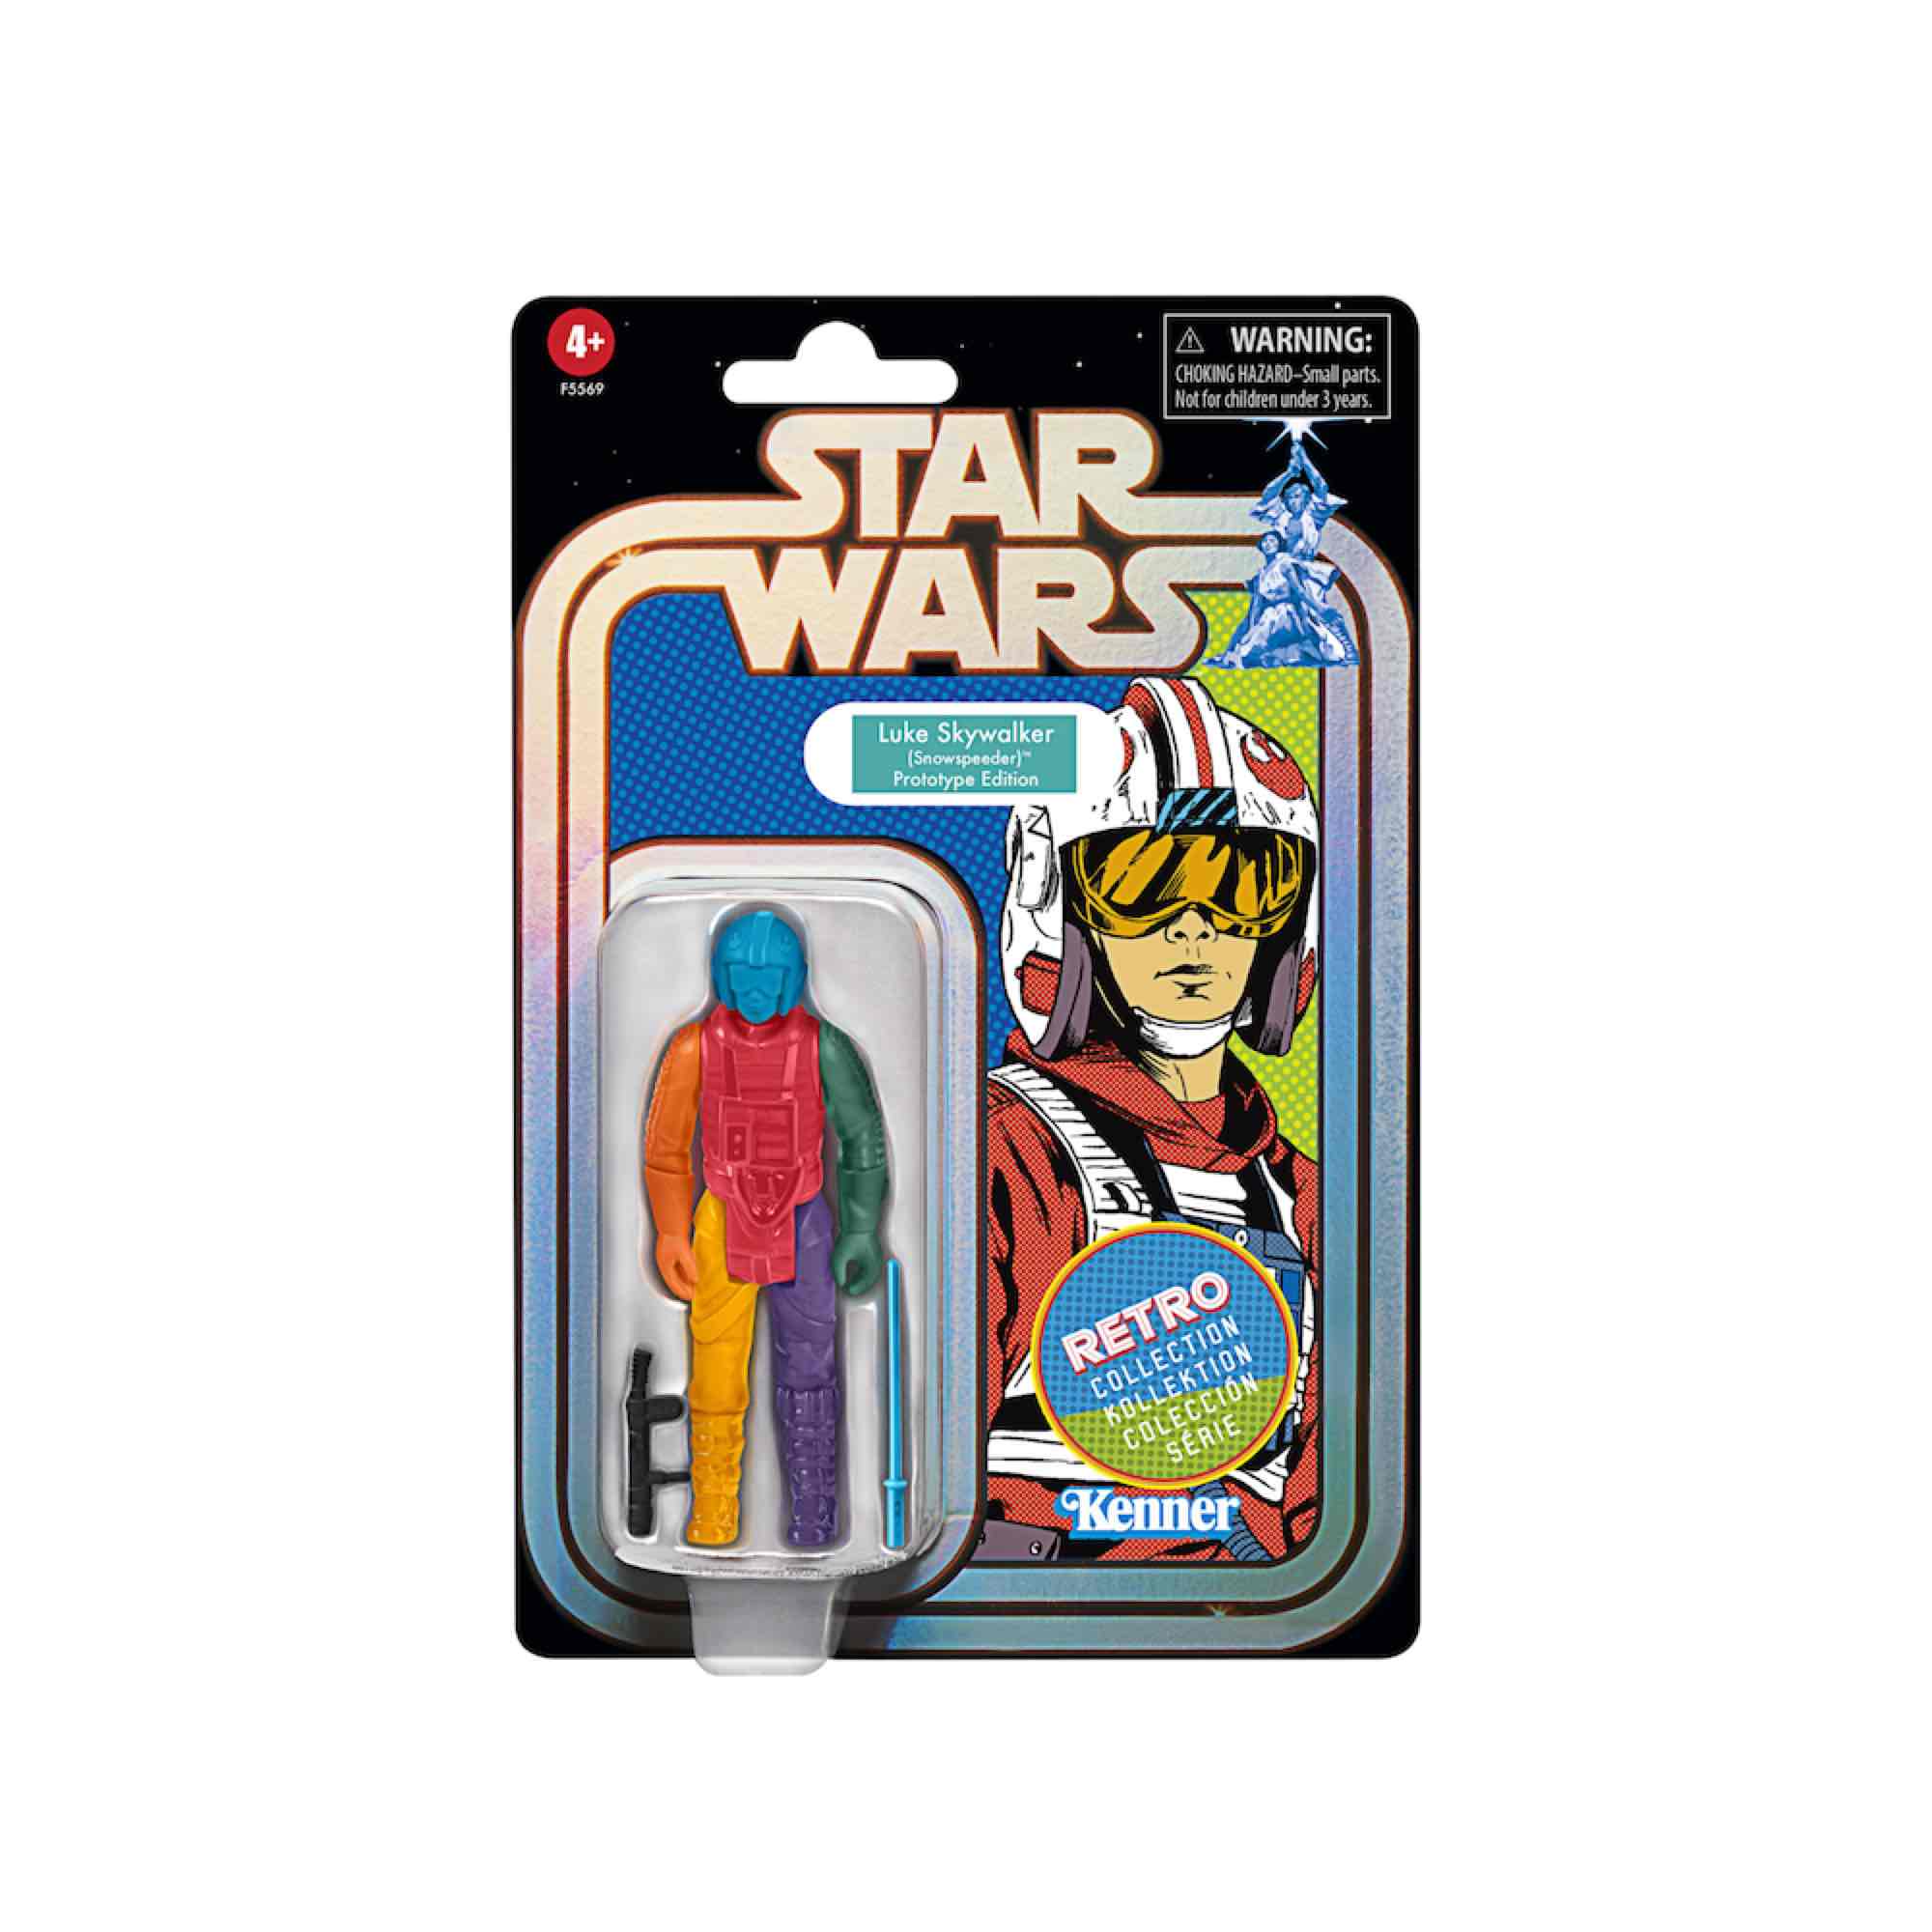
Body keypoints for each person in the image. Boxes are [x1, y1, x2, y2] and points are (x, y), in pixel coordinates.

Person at [982, 676, 1321, 1561]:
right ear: (1065, 914)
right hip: (1028, 1603)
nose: (1195, 932)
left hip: (1238, 1616)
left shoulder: (1304, 1199)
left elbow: (1328, 1507)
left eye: (1243, 889)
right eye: (1142, 886)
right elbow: (908, 1447)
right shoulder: (1007, 1150)